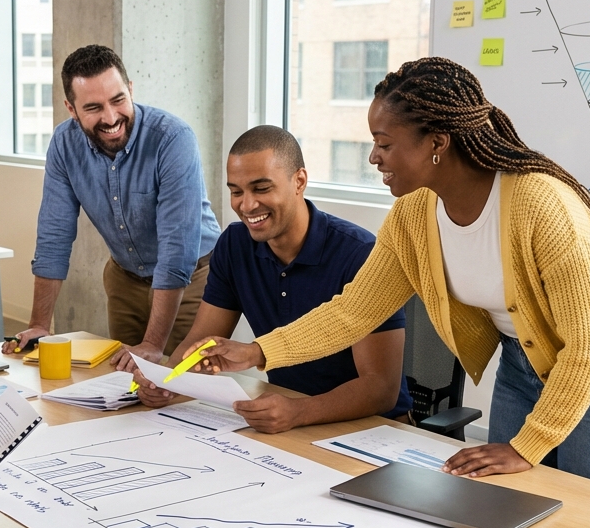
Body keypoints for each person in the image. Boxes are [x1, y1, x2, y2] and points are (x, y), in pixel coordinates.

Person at [189, 57, 590, 492]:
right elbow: (353, 313)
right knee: (505, 505)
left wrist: (526, 446)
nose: (373, 157)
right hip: (523, 367)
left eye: (384, 144)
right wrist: (258, 351)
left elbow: (589, 346)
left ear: (437, 143)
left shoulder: (541, 204)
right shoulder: (414, 215)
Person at [134, 126, 412, 433]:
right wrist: (167, 381)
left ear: (299, 181)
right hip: (289, 421)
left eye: (262, 188)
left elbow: (380, 389)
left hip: (373, 430)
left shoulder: (360, 254)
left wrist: (298, 411)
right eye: (236, 192)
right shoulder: (235, 244)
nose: (247, 205)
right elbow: (202, 342)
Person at [4, 44, 222, 367]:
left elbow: (177, 249)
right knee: (123, 380)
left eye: (118, 100)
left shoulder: (173, 138)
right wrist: (39, 325)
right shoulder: (64, 144)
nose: (110, 117)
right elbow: (54, 236)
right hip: (125, 279)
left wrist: (153, 343)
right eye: (93, 107)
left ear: (130, 89)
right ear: (71, 108)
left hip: (193, 277)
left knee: (181, 381)